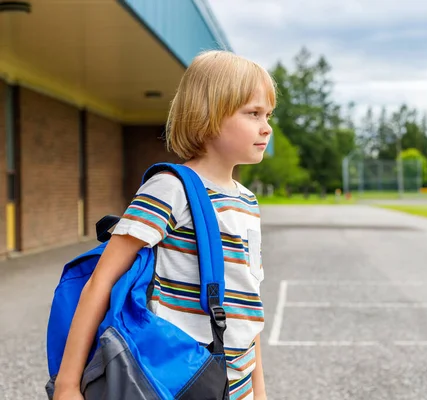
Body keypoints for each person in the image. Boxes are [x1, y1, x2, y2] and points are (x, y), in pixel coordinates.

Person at [53, 50, 275, 400]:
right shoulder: (171, 189)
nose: (267, 127)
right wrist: (67, 385)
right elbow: (101, 282)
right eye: (253, 114)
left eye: (268, 115)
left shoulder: (247, 202)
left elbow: (248, 302)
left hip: (238, 383)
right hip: (178, 378)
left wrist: (259, 391)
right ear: (210, 115)